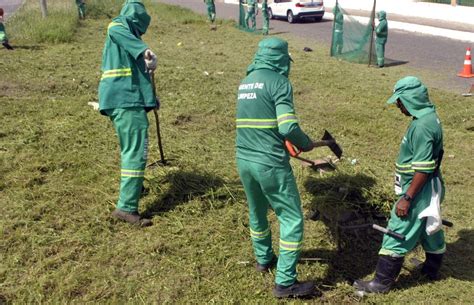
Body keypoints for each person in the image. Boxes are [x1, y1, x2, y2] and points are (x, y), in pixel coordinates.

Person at [236, 37, 317, 299]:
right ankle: (285, 282)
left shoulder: (245, 82)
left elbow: (260, 123)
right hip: (269, 163)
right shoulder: (279, 82)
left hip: (244, 159)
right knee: (291, 218)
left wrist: (282, 139)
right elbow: (287, 127)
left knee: (257, 210)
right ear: (280, 59)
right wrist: (304, 143)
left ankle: (263, 258)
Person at [354, 76, 446, 294]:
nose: (397, 105)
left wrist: (407, 198)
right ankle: (431, 270)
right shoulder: (427, 117)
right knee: (428, 229)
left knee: (398, 230)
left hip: (418, 189)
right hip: (429, 186)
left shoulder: (423, 127)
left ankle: (380, 284)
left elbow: (423, 169)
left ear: (411, 99)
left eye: (400, 101)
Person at [98, 0, 158, 227]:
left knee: (129, 149)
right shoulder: (118, 27)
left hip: (123, 100)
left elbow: (137, 78)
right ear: (136, 21)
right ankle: (126, 207)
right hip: (125, 101)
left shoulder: (128, 40)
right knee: (135, 151)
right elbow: (116, 29)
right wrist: (145, 50)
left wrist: (151, 99)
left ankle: (135, 186)